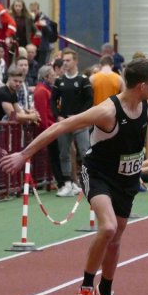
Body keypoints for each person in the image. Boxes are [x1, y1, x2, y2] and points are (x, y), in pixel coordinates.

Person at [1, 58, 148, 295]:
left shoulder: (142, 105)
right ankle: (86, 287)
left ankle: (106, 291)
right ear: (141, 85)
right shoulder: (107, 111)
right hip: (98, 174)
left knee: (116, 238)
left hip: (127, 179)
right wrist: (24, 155)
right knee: (108, 227)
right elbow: (61, 126)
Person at [51, 48, 93, 197]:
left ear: (75, 61)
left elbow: (90, 100)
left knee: (85, 152)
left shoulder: (83, 80)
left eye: (68, 60)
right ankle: (67, 184)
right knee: (64, 152)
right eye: (64, 60)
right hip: (64, 122)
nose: (65, 63)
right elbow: (53, 100)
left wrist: (80, 116)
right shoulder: (59, 81)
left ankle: (88, 182)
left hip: (80, 122)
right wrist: (58, 116)